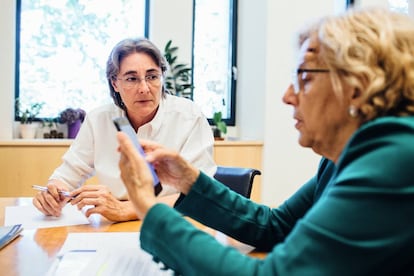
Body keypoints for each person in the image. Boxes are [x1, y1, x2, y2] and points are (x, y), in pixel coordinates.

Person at [116, 8, 414, 275]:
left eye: (304, 78)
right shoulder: (343, 157)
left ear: (357, 86)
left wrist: (149, 207)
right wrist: (190, 181)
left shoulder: (396, 157)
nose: (287, 96)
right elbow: (276, 226)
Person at [32, 37, 216, 222]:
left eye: (152, 76)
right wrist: (53, 192)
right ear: (115, 83)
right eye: (131, 79)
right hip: (113, 225)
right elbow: (69, 173)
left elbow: (201, 194)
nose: (144, 88)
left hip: (174, 221)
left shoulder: (189, 117)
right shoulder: (98, 119)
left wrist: (127, 209)